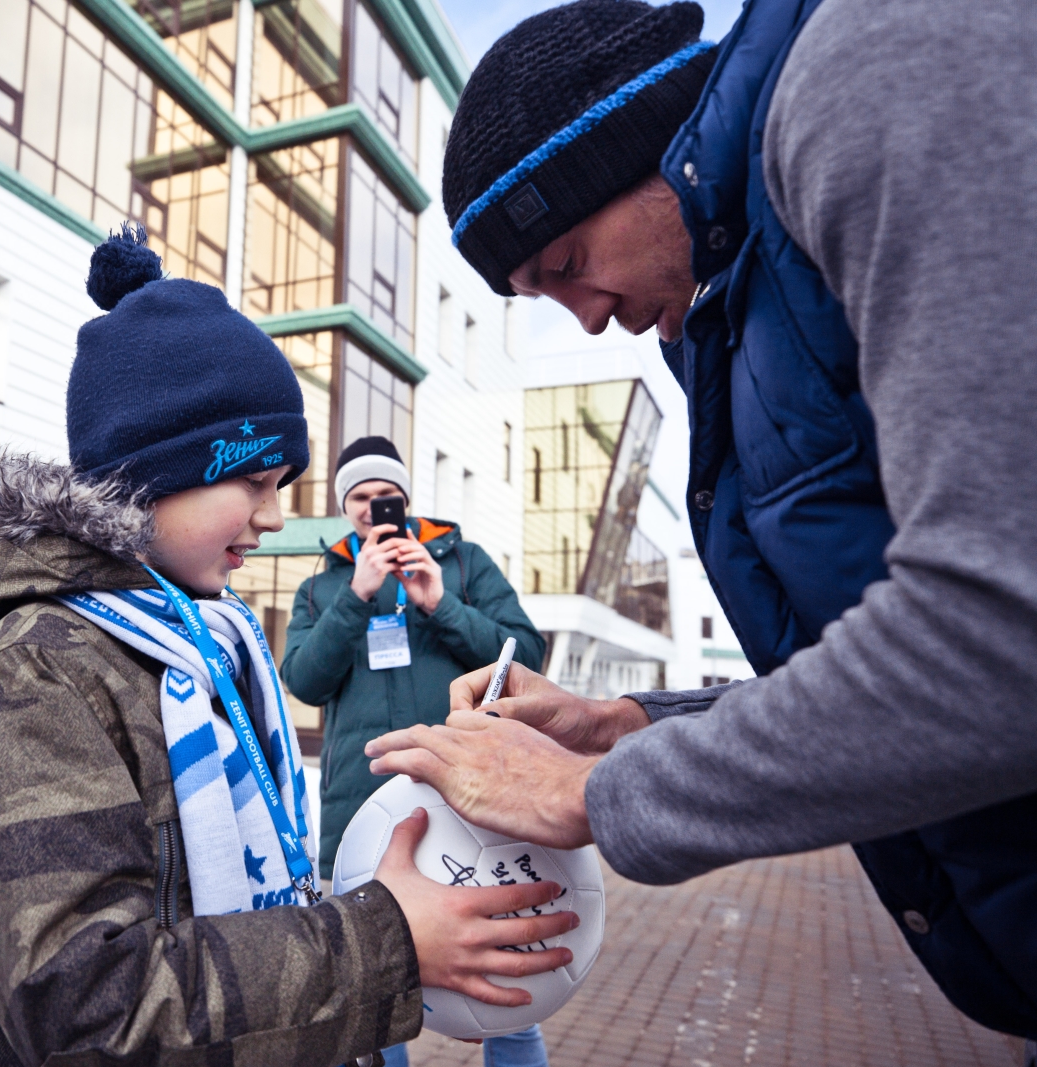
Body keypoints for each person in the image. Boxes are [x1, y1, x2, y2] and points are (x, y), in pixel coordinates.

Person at [369, 0, 1037, 1045]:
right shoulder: (733, 302)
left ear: (639, 151)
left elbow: (998, 632)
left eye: (565, 261)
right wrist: (633, 724)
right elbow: (866, 649)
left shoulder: (873, 74)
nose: (584, 315)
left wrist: (599, 790)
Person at [0, 227, 581, 1067]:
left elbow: (518, 657)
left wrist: (441, 607)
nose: (273, 520)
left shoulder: (202, 640)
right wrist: (383, 942)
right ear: (151, 474)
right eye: (256, 483)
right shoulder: (36, 675)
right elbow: (82, 1011)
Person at [282, 436, 548, 1067]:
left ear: (406, 499)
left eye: (389, 497)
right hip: (364, 801)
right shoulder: (322, 589)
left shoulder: (462, 563)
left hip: (472, 798)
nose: (377, 509)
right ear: (348, 510)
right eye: (362, 499)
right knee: (377, 995)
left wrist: (439, 602)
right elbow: (303, 680)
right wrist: (355, 598)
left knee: (509, 984)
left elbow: (526, 659)